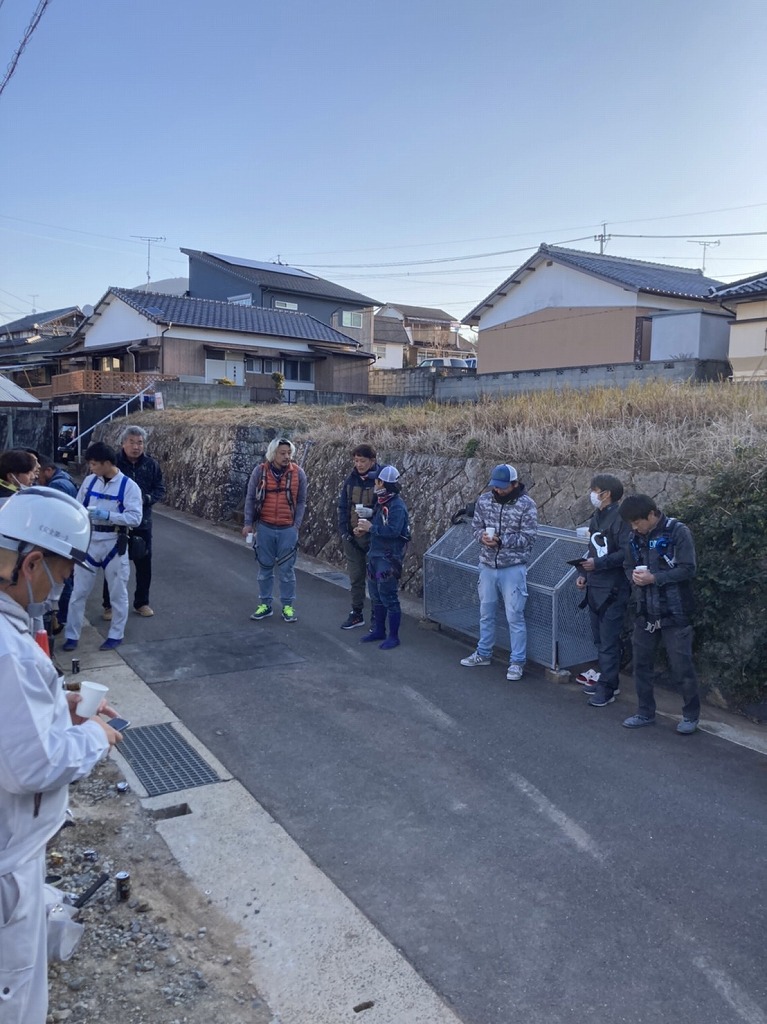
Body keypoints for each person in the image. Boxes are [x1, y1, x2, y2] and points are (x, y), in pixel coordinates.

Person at [0, 487, 122, 1024]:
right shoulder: (7, 649)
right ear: (30, 564)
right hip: (7, 864)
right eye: (60, 573)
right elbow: (34, 766)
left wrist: (58, 700)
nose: (60, 587)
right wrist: (97, 735)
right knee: (17, 996)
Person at [619, 494, 701, 733]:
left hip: (676, 612)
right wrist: (634, 578)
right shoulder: (634, 537)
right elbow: (627, 565)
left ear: (652, 514)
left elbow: (688, 569)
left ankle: (690, 716)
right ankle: (644, 712)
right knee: (641, 665)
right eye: (631, 524)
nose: (634, 527)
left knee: (681, 666)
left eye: (637, 522)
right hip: (645, 612)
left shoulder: (678, 531)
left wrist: (655, 578)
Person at [460, 464, 538, 681]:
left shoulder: (526, 505)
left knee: (515, 616)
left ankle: (517, 662)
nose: (498, 490)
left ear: (515, 484)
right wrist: (482, 538)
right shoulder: (484, 500)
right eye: (496, 486)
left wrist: (502, 541)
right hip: (486, 565)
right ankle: (483, 653)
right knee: (486, 612)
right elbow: (475, 527)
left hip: (513, 567)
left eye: (503, 487)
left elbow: (529, 537)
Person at [62, 442, 142, 653]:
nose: (91, 468)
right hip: (88, 542)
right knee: (78, 592)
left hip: (114, 544)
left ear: (107, 463)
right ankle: (71, 635)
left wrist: (109, 516)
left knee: (118, 594)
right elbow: (78, 509)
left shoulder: (129, 486)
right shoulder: (89, 481)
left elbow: (135, 518)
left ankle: (116, 634)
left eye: (95, 464)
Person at [574, 474, 632, 707]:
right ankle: (608, 681)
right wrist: (583, 574)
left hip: (613, 589)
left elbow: (627, 554)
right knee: (599, 639)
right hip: (595, 587)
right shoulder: (598, 516)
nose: (591, 494)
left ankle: (607, 687)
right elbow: (592, 549)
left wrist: (598, 565)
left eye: (594, 490)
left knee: (608, 640)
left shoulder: (621, 519)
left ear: (606, 493)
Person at [102, 425, 165, 619]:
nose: (136, 446)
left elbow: (160, 489)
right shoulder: (114, 463)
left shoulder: (151, 464)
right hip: (116, 523)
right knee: (113, 565)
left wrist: (144, 499)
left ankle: (141, 603)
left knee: (143, 564)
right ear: (123, 443)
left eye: (140, 443)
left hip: (142, 523)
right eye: (132, 442)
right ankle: (109, 605)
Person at [242, 437, 307, 623]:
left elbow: (302, 501)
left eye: (289, 453)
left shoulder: (299, 474)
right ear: (273, 454)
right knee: (264, 569)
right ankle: (265, 604)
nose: (287, 457)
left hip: (288, 529)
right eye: (283, 453)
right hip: (265, 527)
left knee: (287, 571)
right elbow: (250, 498)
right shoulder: (259, 471)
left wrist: (296, 526)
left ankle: (287, 606)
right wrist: (248, 523)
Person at [355, 465, 409, 650]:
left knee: (389, 596)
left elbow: (394, 531)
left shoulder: (397, 506)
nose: (374, 484)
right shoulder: (383, 502)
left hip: (388, 557)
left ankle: (393, 636)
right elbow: (381, 525)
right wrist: (367, 524)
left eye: (376, 481)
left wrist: (371, 528)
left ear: (384, 483)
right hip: (376, 554)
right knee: (376, 595)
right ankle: (379, 630)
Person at [337, 443, 381, 629]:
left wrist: (370, 527)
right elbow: (343, 507)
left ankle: (377, 617)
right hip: (352, 537)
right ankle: (356, 613)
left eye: (362, 461)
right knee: (356, 577)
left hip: (374, 538)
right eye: (355, 461)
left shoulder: (381, 480)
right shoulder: (350, 480)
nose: (359, 464)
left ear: (372, 461)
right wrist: (345, 532)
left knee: (376, 579)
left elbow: (385, 509)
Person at [36, 457, 78, 634]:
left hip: (61, 539)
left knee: (63, 581)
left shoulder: (57, 486)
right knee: (67, 580)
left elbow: (54, 515)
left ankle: (61, 619)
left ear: (48, 470)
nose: (36, 479)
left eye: (38, 474)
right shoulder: (66, 478)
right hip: (70, 538)